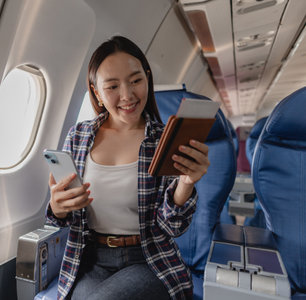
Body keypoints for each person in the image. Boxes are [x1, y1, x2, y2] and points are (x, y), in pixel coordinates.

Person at [46, 36, 210, 300]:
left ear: (147, 78)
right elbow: (61, 218)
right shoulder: (78, 136)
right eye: (112, 86)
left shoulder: (163, 140)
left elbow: (172, 228)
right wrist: (58, 207)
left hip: (149, 259)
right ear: (96, 91)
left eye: (135, 81)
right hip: (90, 259)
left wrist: (186, 183)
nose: (127, 95)